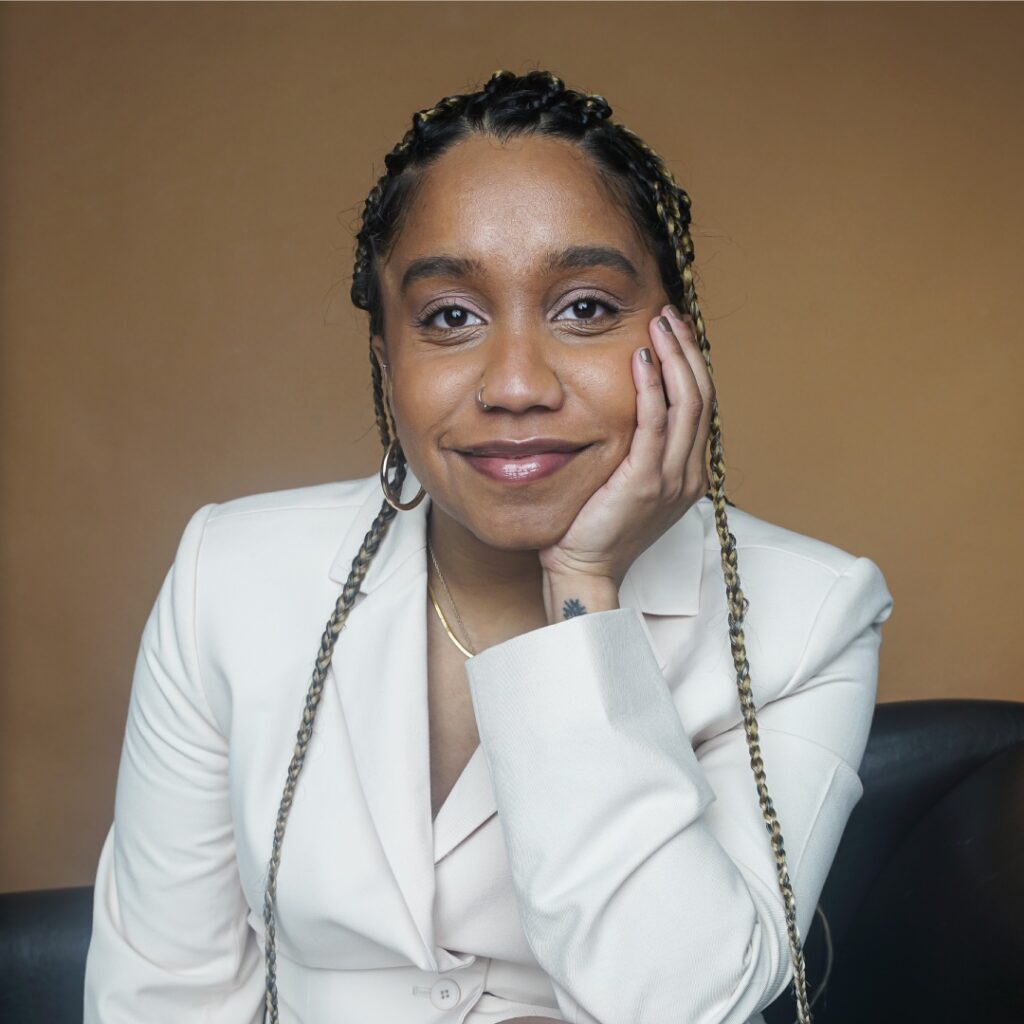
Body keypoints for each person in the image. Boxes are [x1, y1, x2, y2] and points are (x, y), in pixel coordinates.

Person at [83, 70, 894, 1024]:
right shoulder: (230, 575)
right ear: (388, 362)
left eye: (585, 307)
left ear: (678, 338)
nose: (515, 384)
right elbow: (159, 996)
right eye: (450, 317)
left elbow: (682, 1005)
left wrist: (584, 590)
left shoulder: (811, 613)